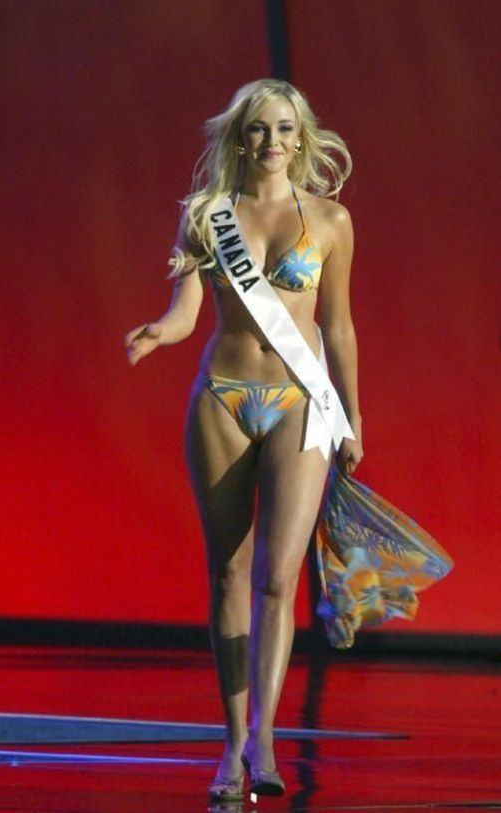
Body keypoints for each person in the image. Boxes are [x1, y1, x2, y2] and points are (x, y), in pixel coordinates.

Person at [124, 79, 451, 801]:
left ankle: (264, 739)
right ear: (240, 138)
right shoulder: (208, 214)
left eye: (282, 128)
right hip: (222, 400)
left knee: (278, 578)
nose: (271, 141)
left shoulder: (331, 220)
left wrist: (352, 416)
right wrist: (159, 332)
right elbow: (186, 310)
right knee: (227, 574)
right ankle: (230, 743)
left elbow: (338, 325)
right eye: (257, 129)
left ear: (300, 136)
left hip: (300, 405)